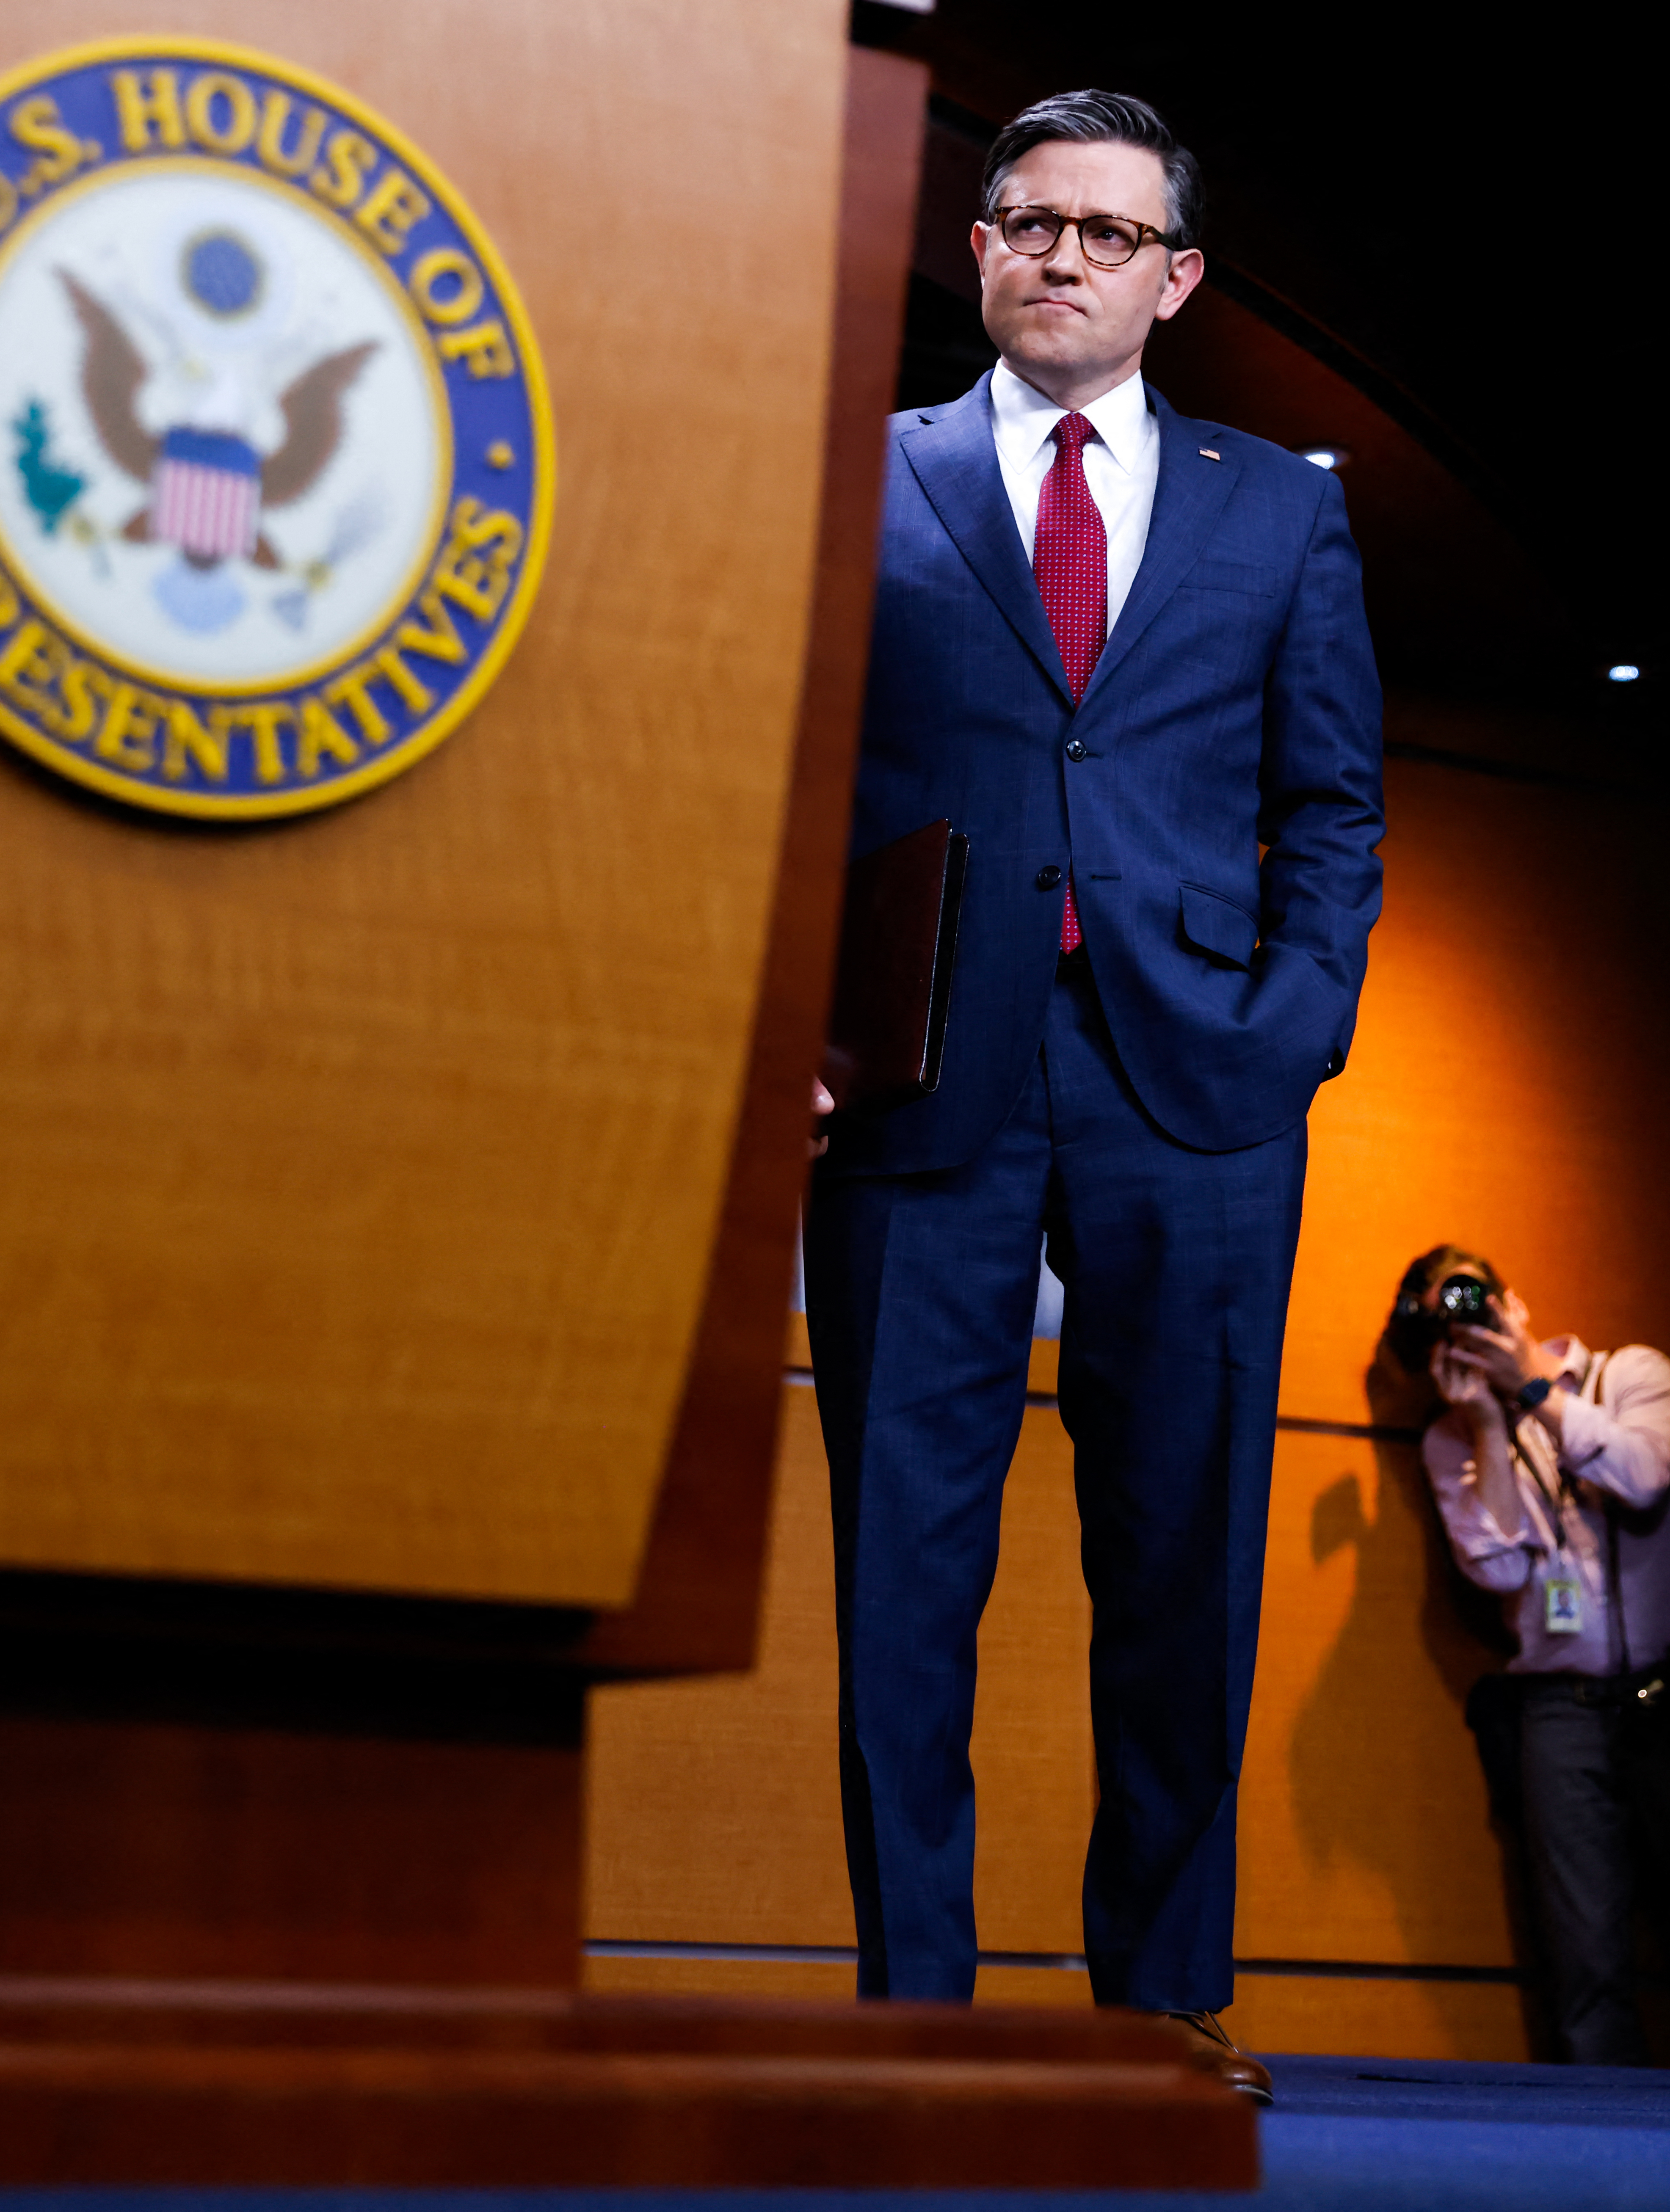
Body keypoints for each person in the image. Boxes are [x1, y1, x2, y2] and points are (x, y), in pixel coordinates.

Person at [803, 88, 1385, 2106]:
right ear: (975, 249)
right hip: (917, 1084)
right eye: (1028, 221)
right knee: (903, 1571)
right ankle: (911, 2025)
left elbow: (1330, 806)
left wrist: (1295, 1020)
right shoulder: (852, 479)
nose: (1063, 255)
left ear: (1177, 278)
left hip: (1196, 1094)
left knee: (1180, 1555)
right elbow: (779, 773)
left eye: (1107, 233)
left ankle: (1158, 2013)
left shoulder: (1277, 507)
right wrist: (808, 1021)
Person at [1396, 1247, 1670, 2066]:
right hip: (1558, 1714)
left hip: (1665, 1697)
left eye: (1476, 1303)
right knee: (1586, 1959)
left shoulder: (1629, 1375)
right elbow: (1501, 1567)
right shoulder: (1455, 1439)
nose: (1471, 1330)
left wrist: (1535, 1387)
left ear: (1513, 1302)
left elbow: (1646, 1477)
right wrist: (1487, 1420)